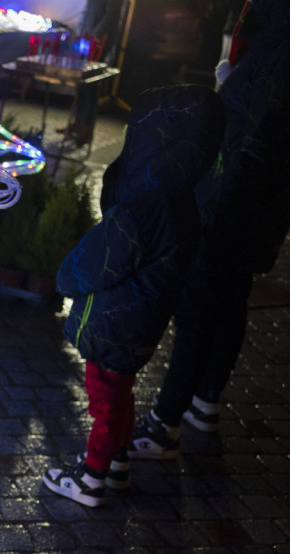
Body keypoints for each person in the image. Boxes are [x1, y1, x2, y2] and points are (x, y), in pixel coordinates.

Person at [42, 84, 226, 507]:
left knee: (104, 403)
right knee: (121, 396)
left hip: (113, 326)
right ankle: (117, 462)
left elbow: (94, 261)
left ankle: (90, 478)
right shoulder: (183, 203)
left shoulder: (145, 206)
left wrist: (64, 279)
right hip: (141, 326)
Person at [127, 0, 290, 459]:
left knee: (199, 302)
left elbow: (260, 129)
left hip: (238, 194)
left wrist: (216, 196)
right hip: (258, 197)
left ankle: (164, 425)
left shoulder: (279, 35)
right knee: (230, 295)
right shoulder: (272, 30)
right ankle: (204, 402)